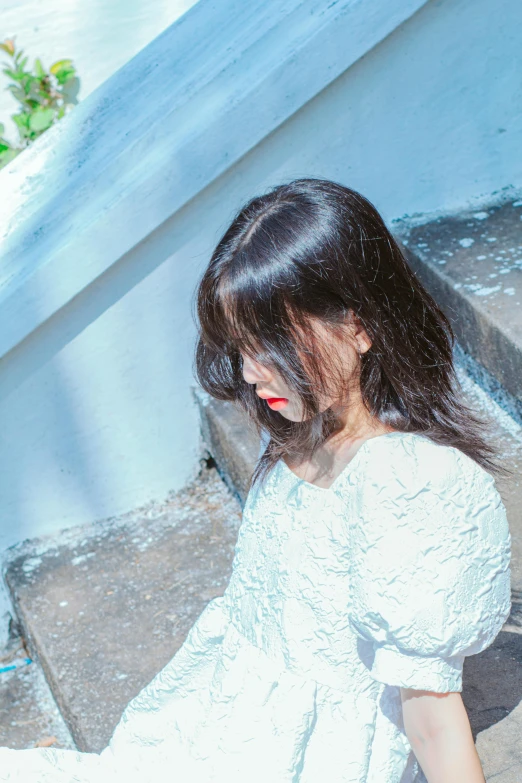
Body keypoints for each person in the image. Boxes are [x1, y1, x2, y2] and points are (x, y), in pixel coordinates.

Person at [0, 178, 512, 782]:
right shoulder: (301, 431)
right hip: (220, 728)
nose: (248, 370)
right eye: (240, 344)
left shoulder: (413, 484)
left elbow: (430, 714)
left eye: (270, 343)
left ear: (359, 323)